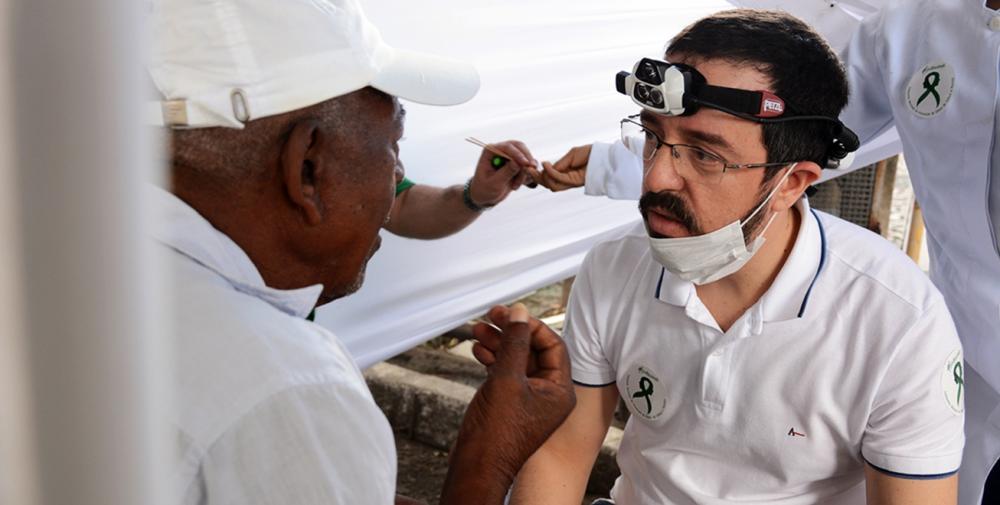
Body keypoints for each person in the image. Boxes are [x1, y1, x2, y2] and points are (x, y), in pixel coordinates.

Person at [535, 2, 1000, 504]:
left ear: (793, 183)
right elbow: (792, 120)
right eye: (650, 137)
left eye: (704, 154)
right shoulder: (613, 269)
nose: (656, 179)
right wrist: (617, 164)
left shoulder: (894, 322)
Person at [147, 0, 574, 504]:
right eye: (393, 145)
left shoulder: (67, 257)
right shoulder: (288, 390)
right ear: (306, 167)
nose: (396, 176)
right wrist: (488, 460)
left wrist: (474, 194)